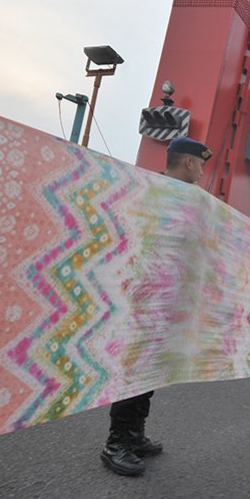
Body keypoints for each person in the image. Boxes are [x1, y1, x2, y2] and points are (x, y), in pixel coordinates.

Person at [100, 137, 212, 476]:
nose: (203, 170)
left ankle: (135, 434)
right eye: (201, 163)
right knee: (135, 368)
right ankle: (115, 443)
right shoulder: (152, 190)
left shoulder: (189, 199)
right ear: (190, 162)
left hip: (167, 299)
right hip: (144, 296)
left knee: (149, 369)